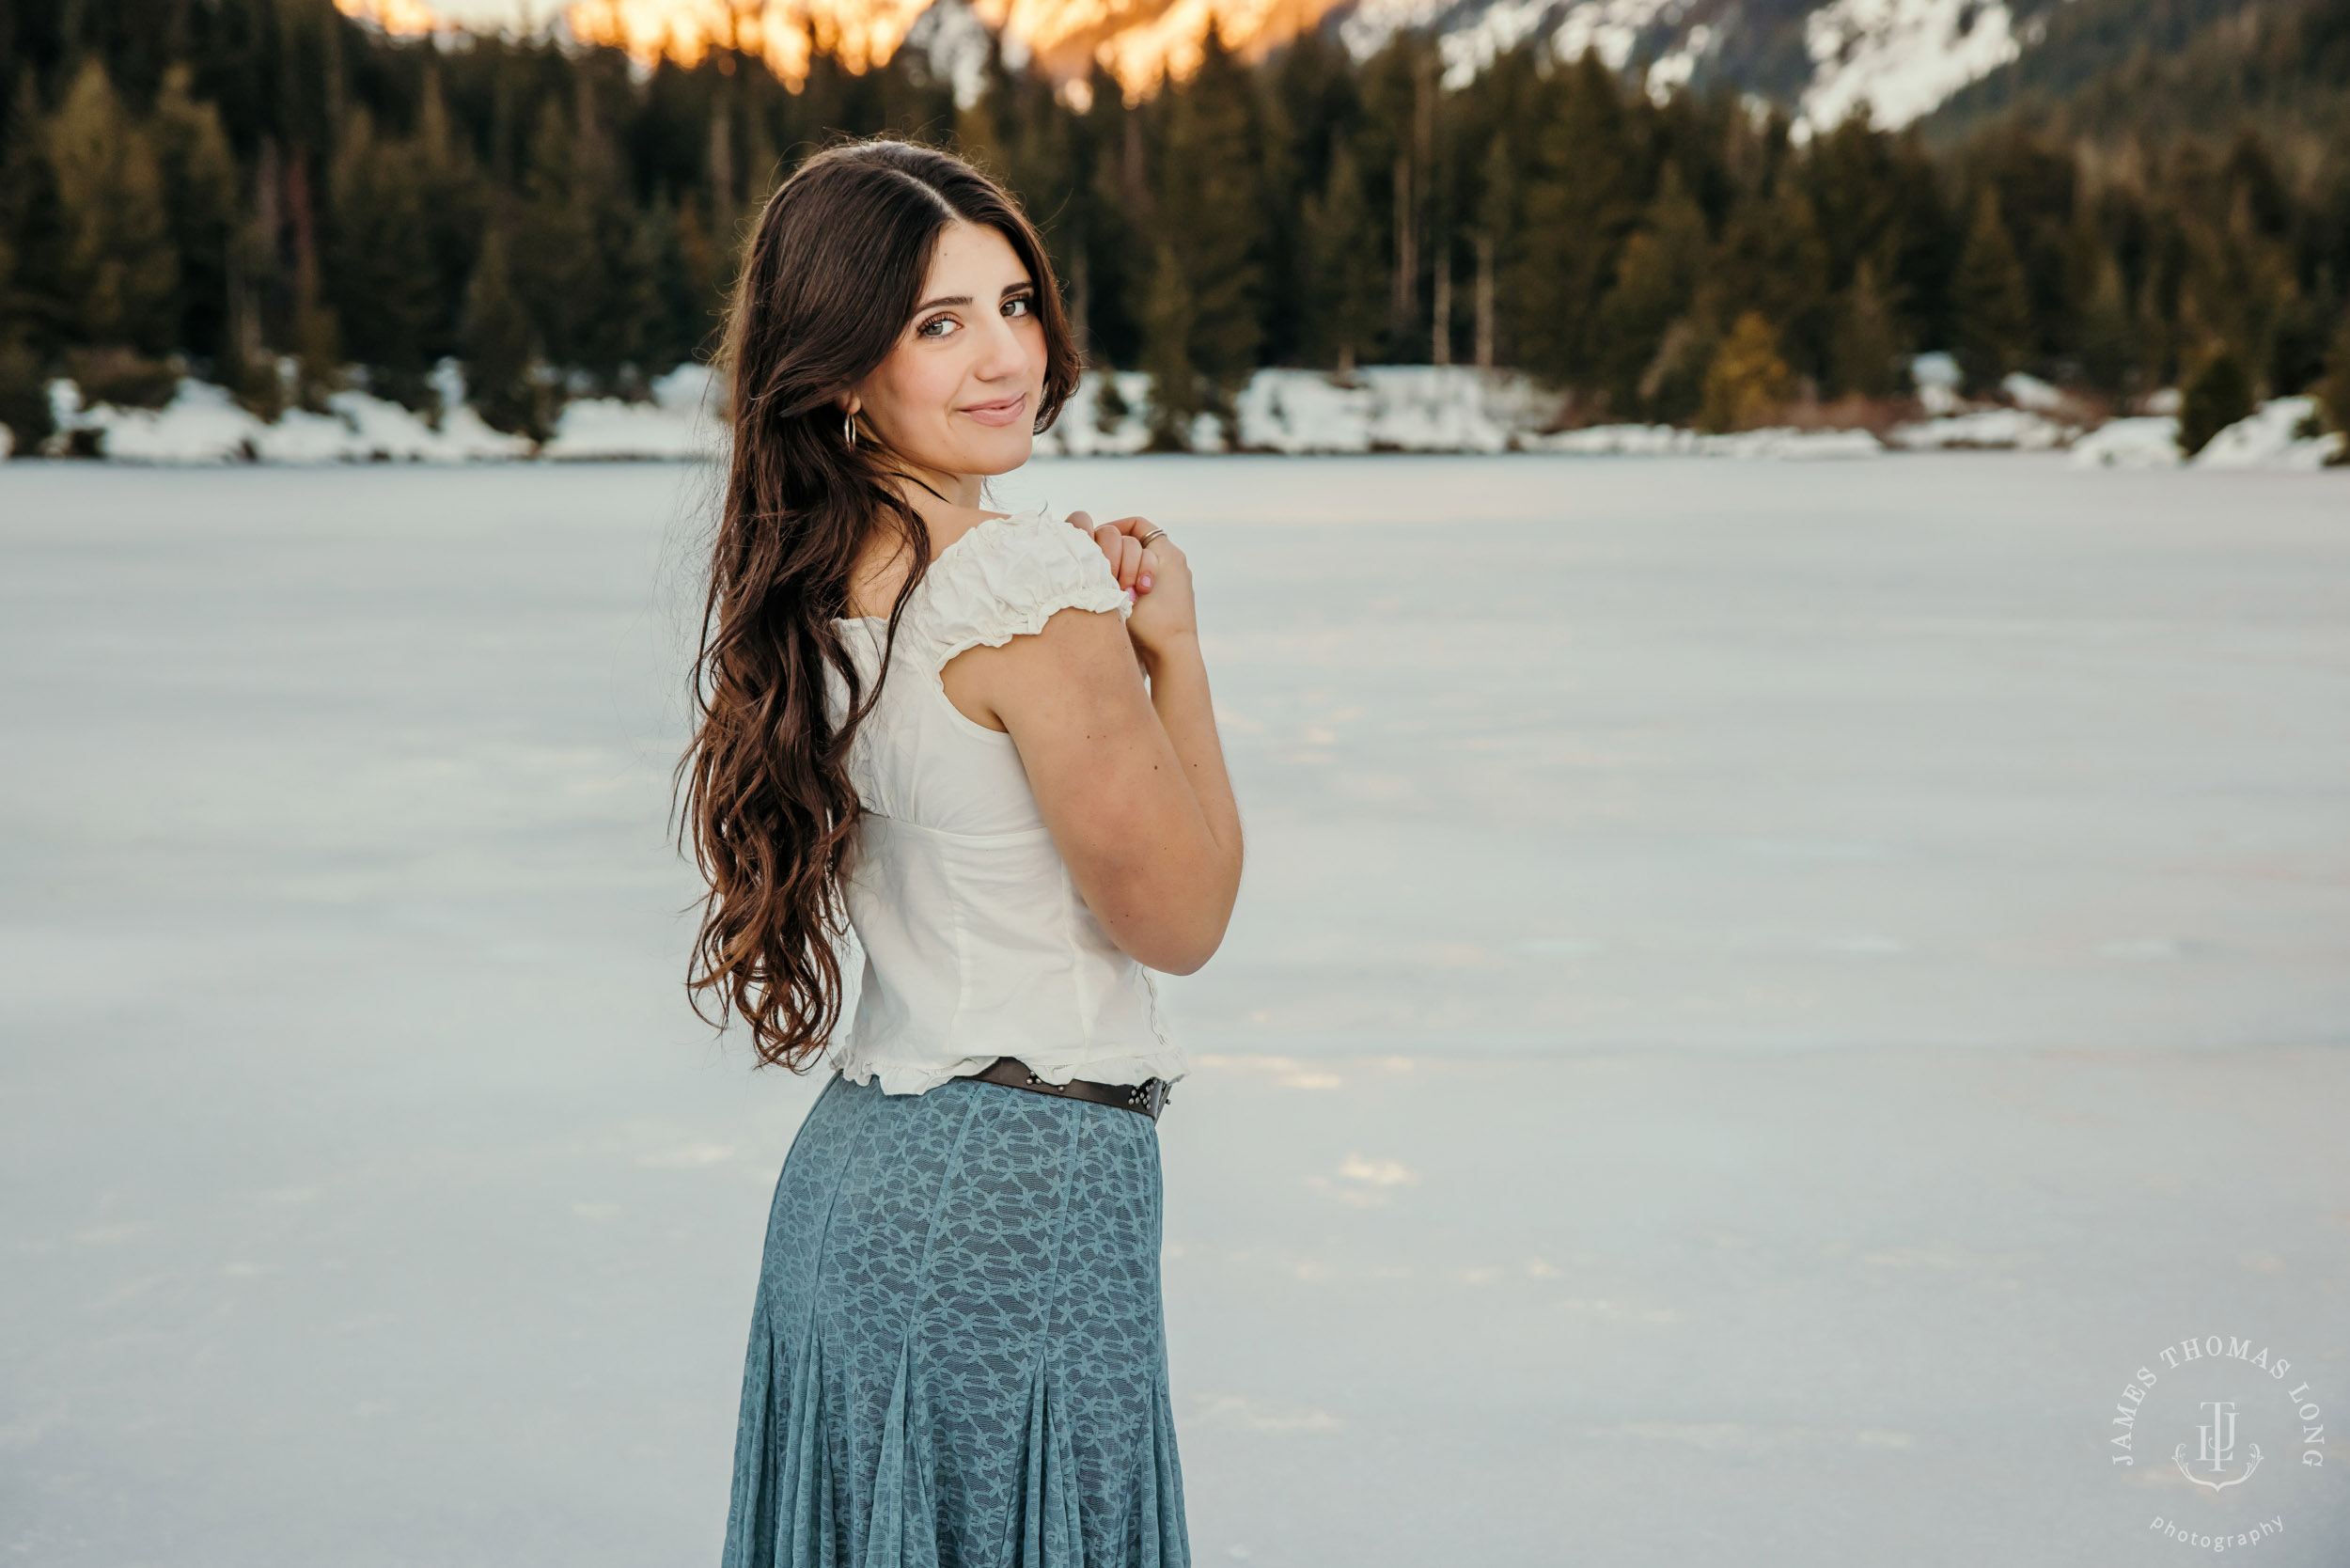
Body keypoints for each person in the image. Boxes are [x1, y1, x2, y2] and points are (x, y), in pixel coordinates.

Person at [677, 134, 1244, 1568]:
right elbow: (1179, 914)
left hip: (862, 1182)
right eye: (939, 323)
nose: (1007, 358)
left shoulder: (809, 580)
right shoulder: (1013, 579)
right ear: (842, 366)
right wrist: (1175, 656)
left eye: (1014, 304)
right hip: (1020, 1187)